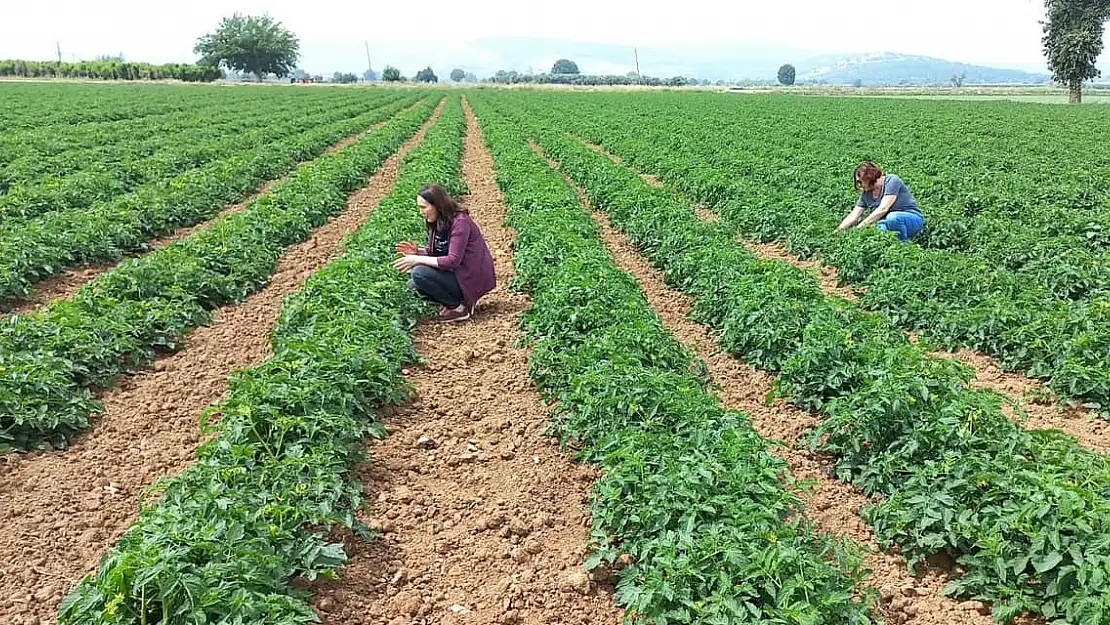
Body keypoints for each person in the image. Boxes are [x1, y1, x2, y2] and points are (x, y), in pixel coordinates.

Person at [393, 184, 496, 322]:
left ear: (437, 205)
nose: (420, 212)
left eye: (423, 207)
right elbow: (435, 252)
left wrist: (417, 259)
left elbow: (453, 260)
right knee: (413, 285)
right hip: (457, 274)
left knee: (419, 273)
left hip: (470, 277)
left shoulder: (460, 222)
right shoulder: (437, 222)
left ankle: (459, 308)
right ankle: (453, 301)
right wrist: (419, 252)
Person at [837, 161, 925, 242]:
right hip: (887, 222)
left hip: (912, 219)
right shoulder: (866, 194)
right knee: (875, 231)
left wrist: (860, 227)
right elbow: (853, 215)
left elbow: (883, 209)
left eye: (860, 181)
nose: (859, 185)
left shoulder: (891, 181)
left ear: (869, 176)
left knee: (893, 218)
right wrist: (838, 231)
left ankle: (904, 246)